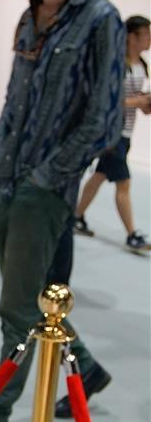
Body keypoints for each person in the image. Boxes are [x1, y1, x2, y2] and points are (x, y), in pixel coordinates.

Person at [0, 0, 125, 422]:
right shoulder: (25, 16)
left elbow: (105, 117)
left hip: (44, 190)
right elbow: (15, 99)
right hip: (3, 181)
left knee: (16, 307)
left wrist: (50, 177)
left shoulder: (100, 19)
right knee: (36, 294)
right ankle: (82, 366)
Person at [73, 15, 151, 251]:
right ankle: (132, 235)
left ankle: (76, 217)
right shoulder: (116, 63)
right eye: (146, 34)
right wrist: (136, 101)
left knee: (99, 177)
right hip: (111, 132)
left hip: (125, 132)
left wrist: (145, 104)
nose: (149, 39)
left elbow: (135, 99)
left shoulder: (142, 64)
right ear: (131, 36)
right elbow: (104, 100)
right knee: (123, 183)